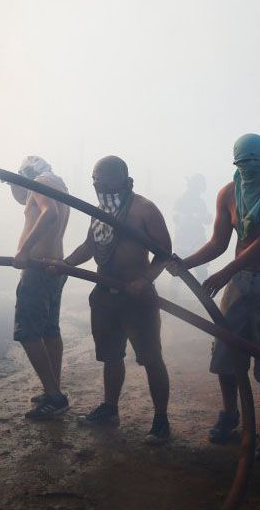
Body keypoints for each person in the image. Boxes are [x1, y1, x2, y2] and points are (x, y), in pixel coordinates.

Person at [167, 133, 260, 461]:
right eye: (243, 164)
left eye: (256, 163)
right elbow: (218, 243)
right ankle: (230, 415)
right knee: (226, 349)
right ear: (235, 164)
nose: (250, 169)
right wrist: (185, 263)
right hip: (241, 284)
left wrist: (225, 272)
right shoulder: (228, 193)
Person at [61, 156, 173, 444]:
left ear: (122, 179)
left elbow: (164, 253)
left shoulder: (143, 209)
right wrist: (64, 264)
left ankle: (161, 420)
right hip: (105, 298)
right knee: (111, 356)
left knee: (151, 359)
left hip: (138, 301)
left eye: (103, 177)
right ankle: (110, 409)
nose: (97, 183)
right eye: (94, 178)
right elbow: (89, 245)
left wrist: (144, 280)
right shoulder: (99, 210)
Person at [10, 157, 72, 420]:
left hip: (38, 268)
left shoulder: (38, 182)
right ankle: (52, 389)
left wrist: (24, 250)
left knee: (27, 332)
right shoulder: (58, 184)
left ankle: (55, 396)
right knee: (49, 330)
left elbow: (50, 214)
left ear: (28, 174)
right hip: (54, 266)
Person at [172, 174, 214, 281]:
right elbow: (176, 218)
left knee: (201, 271)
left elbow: (207, 219)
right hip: (183, 241)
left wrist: (205, 217)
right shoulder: (182, 200)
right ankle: (174, 295)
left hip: (197, 241)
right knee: (177, 271)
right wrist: (190, 217)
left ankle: (203, 295)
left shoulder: (200, 202)